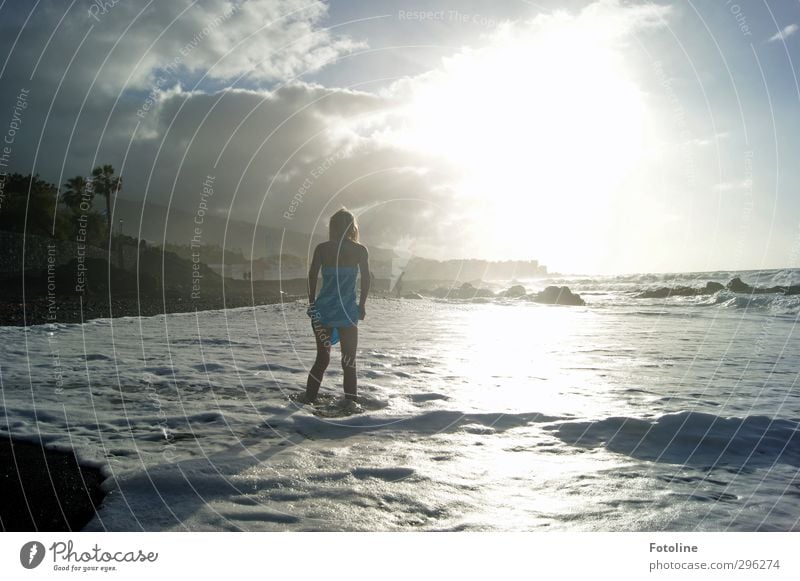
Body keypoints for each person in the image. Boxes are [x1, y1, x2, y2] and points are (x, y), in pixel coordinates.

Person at [302, 208, 370, 405]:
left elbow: (312, 276)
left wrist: (311, 303)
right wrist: (362, 305)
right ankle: (351, 406)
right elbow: (366, 279)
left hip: (323, 311)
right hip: (347, 312)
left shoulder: (322, 249)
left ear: (332, 226)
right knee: (349, 363)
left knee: (322, 360)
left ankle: (308, 402)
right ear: (352, 226)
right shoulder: (359, 250)